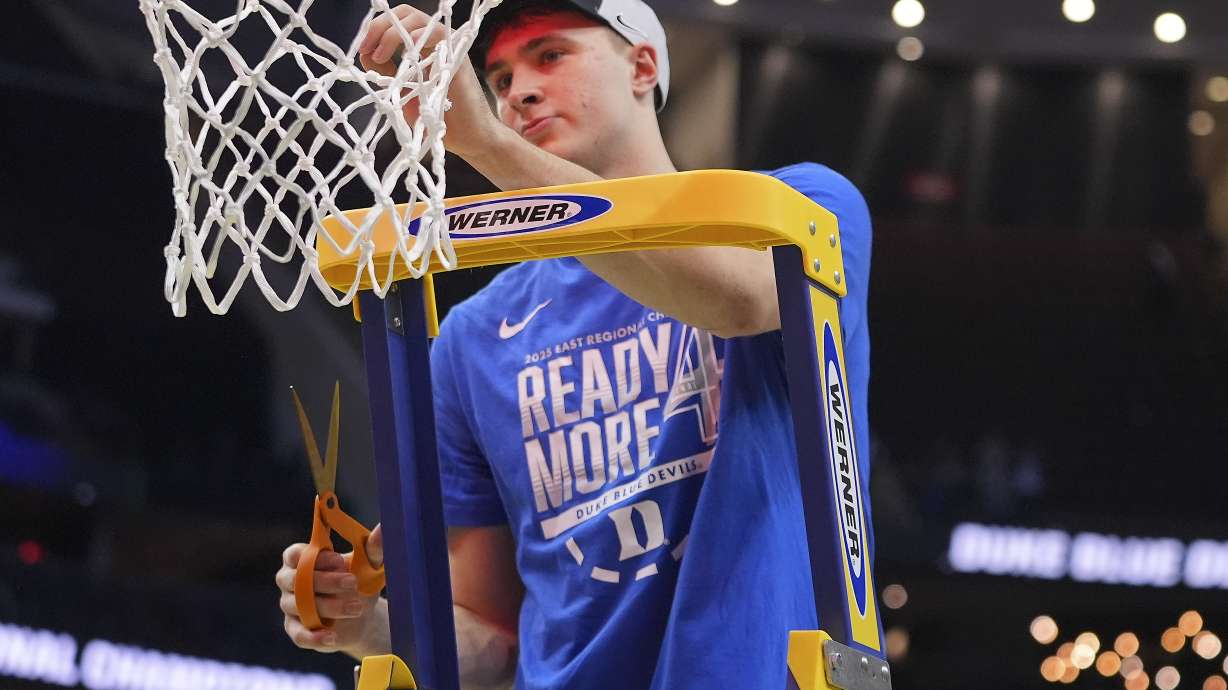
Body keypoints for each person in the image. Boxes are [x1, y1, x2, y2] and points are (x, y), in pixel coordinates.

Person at [274, 1, 873, 688]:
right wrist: (365, 624)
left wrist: (489, 147)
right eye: (497, 79)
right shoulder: (469, 339)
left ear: (643, 65)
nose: (517, 91)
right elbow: (490, 641)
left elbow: (738, 300)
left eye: (550, 55)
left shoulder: (797, 204)